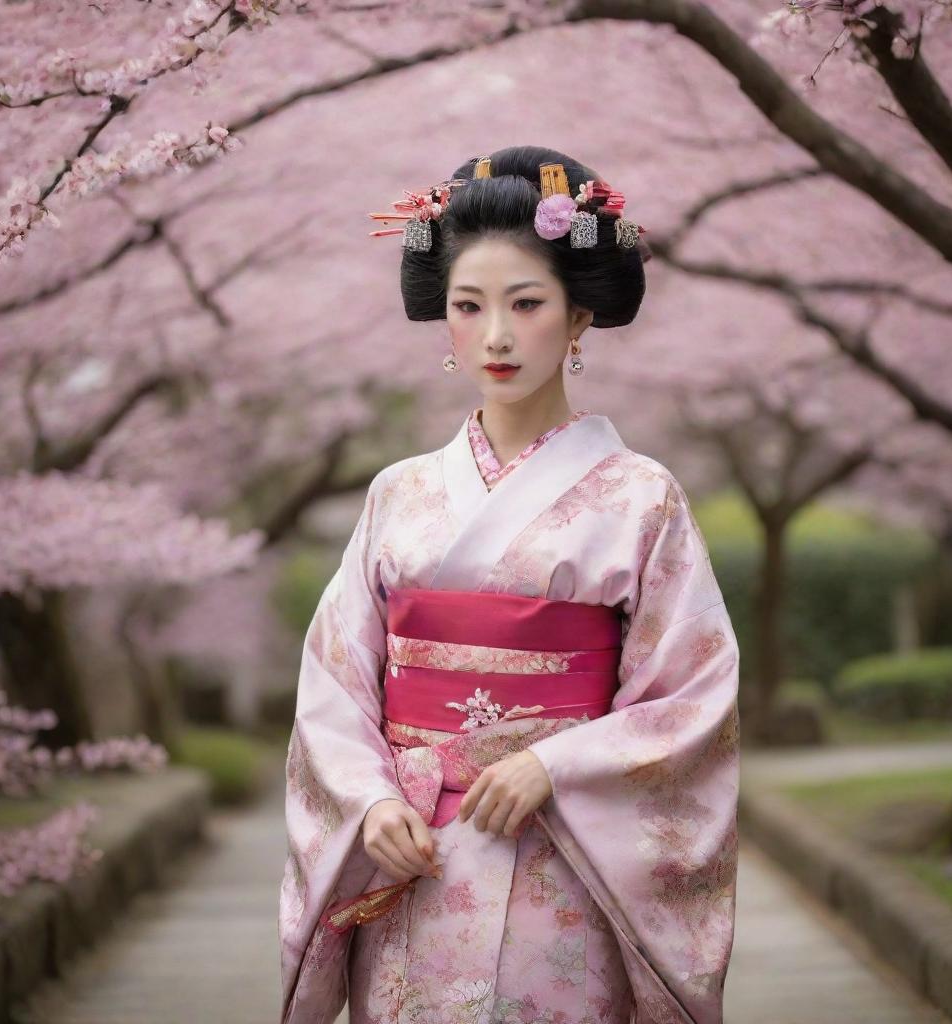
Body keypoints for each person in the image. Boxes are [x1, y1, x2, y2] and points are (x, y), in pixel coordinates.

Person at [278, 145, 741, 1024]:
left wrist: (557, 764)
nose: (496, 334)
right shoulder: (398, 494)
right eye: (468, 306)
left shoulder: (641, 498)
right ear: (443, 322)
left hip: (563, 857)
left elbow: (692, 696)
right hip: (415, 856)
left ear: (578, 319)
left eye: (526, 304)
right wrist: (370, 800)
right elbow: (333, 684)